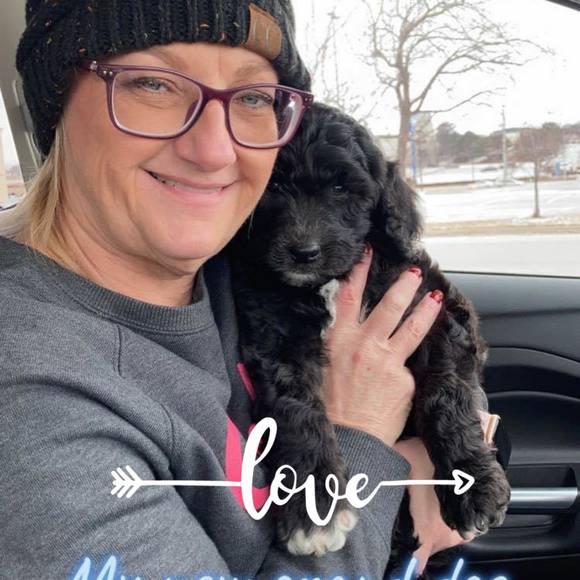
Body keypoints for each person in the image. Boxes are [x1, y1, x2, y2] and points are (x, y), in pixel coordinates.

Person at [0, 1, 501, 577]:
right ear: (54, 104)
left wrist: (448, 444)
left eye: (254, 98)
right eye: (152, 83)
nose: (214, 149)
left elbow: (431, 338)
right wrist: (366, 447)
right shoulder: (31, 394)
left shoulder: (231, 258)